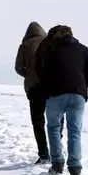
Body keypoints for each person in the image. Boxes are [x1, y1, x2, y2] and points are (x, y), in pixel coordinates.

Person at [37, 25, 88, 175]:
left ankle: (57, 164)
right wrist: (82, 85)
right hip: (78, 95)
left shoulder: (51, 51)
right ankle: (75, 168)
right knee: (75, 131)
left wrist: (48, 88)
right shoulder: (83, 49)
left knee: (53, 127)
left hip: (55, 94)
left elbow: (42, 72)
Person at [15, 22, 54, 165]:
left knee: (38, 122)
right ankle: (56, 150)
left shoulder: (25, 45)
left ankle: (44, 154)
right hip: (50, 87)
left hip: (34, 88)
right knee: (54, 121)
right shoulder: (49, 43)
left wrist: (29, 74)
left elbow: (18, 67)